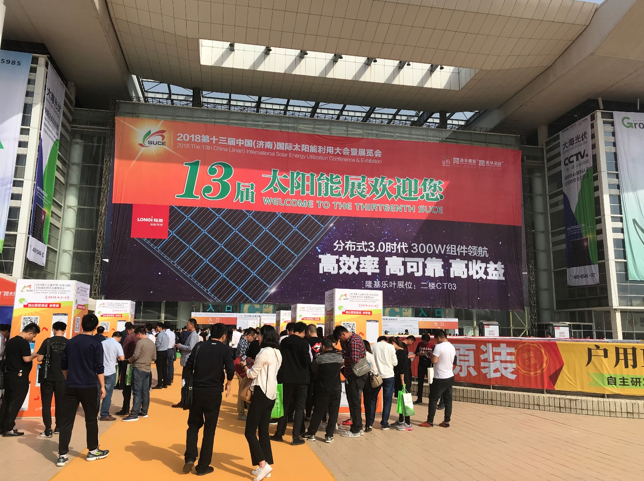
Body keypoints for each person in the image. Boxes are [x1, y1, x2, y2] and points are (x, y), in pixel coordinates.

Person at [183, 323, 235, 476]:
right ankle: (203, 466)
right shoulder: (225, 350)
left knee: (193, 425)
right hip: (214, 393)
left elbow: (188, 366)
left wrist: (189, 384)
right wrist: (229, 383)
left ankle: (190, 457)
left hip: (197, 391)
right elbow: (230, 369)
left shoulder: (199, 346)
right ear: (224, 336)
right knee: (209, 430)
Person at [57, 314, 108, 467]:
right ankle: (93, 450)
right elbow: (99, 367)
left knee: (66, 421)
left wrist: (68, 379)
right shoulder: (96, 343)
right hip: (89, 386)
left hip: (71, 386)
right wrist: (102, 386)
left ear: (81, 325)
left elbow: (63, 364)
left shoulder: (71, 342)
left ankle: (62, 455)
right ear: (95, 327)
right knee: (91, 419)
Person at [241, 325, 282, 481]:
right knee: (263, 431)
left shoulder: (263, 352)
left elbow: (252, 374)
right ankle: (265, 465)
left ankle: (263, 465)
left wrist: (245, 367)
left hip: (261, 393)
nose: (258, 337)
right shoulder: (278, 353)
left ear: (265, 336)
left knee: (250, 431)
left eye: (260, 335)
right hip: (271, 394)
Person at [271, 322, 311, 445]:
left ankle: (279, 433)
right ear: (303, 331)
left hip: (286, 378)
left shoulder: (284, 342)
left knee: (284, 406)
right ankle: (295, 437)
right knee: (299, 408)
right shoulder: (304, 343)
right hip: (301, 379)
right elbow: (307, 361)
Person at [0, 322, 40, 436]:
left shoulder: (11, 341)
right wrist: (34, 355)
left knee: (6, 401)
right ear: (30, 333)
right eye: (33, 336)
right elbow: (26, 359)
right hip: (19, 377)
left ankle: (2, 425)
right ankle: (8, 427)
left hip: (9, 375)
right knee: (15, 402)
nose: (32, 338)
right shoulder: (23, 343)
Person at [303, 338, 342, 443]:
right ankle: (329, 435)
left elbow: (313, 368)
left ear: (323, 347)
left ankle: (311, 433)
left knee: (318, 412)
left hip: (323, 389)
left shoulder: (320, 359)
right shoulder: (339, 358)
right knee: (333, 413)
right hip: (336, 389)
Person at [333, 325, 367, 438]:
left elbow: (354, 359)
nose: (340, 341)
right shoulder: (355, 338)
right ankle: (358, 427)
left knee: (354, 402)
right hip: (355, 376)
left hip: (355, 376)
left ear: (343, 334)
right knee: (354, 402)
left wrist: (343, 358)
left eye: (340, 338)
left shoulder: (353, 341)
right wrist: (343, 353)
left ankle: (356, 429)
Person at [37, 321, 68, 437]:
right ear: (64, 330)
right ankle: (59, 427)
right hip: (62, 378)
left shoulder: (48, 341)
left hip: (47, 377)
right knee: (61, 403)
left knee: (46, 404)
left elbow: (39, 358)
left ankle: (48, 429)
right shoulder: (68, 343)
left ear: (53, 329)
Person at [421, 330, 456, 428]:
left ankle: (430, 421)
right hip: (449, 375)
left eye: (436, 339)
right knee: (448, 400)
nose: (436, 341)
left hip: (439, 377)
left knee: (433, 399)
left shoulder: (438, 347)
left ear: (439, 338)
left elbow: (434, 361)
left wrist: (431, 356)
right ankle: (446, 421)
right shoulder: (452, 346)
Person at [123, 327, 156, 422]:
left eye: (136, 335)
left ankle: (134, 413)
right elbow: (154, 357)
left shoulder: (140, 343)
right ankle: (144, 411)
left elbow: (136, 355)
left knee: (137, 391)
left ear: (139, 334)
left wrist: (130, 360)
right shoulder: (151, 343)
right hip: (147, 369)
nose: (136, 337)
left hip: (138, 368)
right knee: (145, 391)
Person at [370, 335, 398, 430]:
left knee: (373, 399)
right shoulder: (390, 347)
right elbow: (395, 363)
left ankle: (370, 422)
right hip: (388, 375)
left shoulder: (373, 347)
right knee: (387, 400)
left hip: (376, 376)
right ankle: (384, 423)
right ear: (386, 340)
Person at [173, 318, 200, 408]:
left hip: (188, 361)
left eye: (188, 325)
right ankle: (185, 400)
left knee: (186, 382)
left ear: (192, 325)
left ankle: (185, 401)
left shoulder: (193, 335)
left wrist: (180, 346)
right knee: (185, 381)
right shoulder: (192, 334)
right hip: (187, 361)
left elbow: (191, 347)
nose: (187, 326)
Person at [99, 332, 124, 421]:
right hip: (110, 371)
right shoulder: (117, 345)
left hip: (100, 371)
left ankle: (93, 413)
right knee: (108, 394)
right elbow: (122, 358)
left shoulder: (102, 343)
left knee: (97, 393)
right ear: (119, 337)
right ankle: (104, 414)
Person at [391, 337, 413, 431]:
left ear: (393, 343)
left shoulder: (400, 353)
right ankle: (401, 420)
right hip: (401, 379)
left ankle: (408, 423)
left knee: (405, 400)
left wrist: (402, 381)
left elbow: (402, 368)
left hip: (403, 380)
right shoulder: (400, 352)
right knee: (401, 400)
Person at [116, 323, 138, 415]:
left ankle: (125, 408)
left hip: (128, 363)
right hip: (138, 365)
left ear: (128, 330)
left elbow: (124, 351)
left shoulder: (128, 338)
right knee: (137, 389)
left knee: (126, 387)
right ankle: (136, 408)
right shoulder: (140, 338)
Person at [236, 328, 257, 421]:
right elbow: (242, 356)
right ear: (249, 336)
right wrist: (251, 360)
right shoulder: (244, 343)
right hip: (242, 369)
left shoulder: (244, 341)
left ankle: (245, 411)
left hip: (244, 368)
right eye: (254, 337)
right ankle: (241, 413)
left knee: (245, 389)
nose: (254, 339)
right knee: (242, 390)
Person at [305, 324, 321, 420]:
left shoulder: (306, 342)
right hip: (321, 372)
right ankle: (319, 415)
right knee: (319, 394)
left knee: (309, 394)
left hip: (309, 371)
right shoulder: (323, 341)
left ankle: (308, 414)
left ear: (308, 331)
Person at [414, 334, 435, 404]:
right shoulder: (420, 344)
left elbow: (435, 355)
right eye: (424, 341)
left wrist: (429, 354)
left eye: (426, 342)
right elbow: (416, 353)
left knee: (431, 383)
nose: (425, 343)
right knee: (420, 382)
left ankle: (432, 399)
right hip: (421, 365)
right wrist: (420, 354)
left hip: (429, 365)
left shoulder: (432, 345)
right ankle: (419, 398)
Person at [362, 339, 377, 432]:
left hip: (356, 379)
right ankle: (368, 425)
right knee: (368, 403)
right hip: (367, 380)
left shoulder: (356, 355)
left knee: (355, 403)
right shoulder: (369, 355)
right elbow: (375, 370)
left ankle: (356, 424)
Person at [153, 322, 169, 389]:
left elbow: (158, 344)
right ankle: (165, 382)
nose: (157, 328)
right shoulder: (166, 335)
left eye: (157, 327)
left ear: (160, 327)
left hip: (160, 352)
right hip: (165, 351)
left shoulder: (160, 335)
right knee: (164, 368)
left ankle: (159, 384)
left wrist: (154, 345)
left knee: (159, 369)